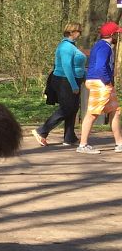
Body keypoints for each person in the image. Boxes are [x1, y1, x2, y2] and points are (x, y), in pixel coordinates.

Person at [33, 22, 86, 147]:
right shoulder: (65, 47)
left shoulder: (72, 46)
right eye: (78, 31)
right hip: (64, 81)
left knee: (73, 108)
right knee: (67, 108)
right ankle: (41, 131)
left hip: (71, 80)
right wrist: (74, 85)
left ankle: (69, 137)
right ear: (71, 32)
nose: (80, 34)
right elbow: (67, 67)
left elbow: (76, 65)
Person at [76, 20, 122, 154]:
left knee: (115, 111)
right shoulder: (105, 47)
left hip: (101, 82)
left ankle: (119, 143)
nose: (118, 37)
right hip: (100, 83)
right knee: (92, 113)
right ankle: (83, 145)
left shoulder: (100, 45)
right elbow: (100, 66)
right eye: (116, 34)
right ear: (112, 35)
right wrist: (107, 81)